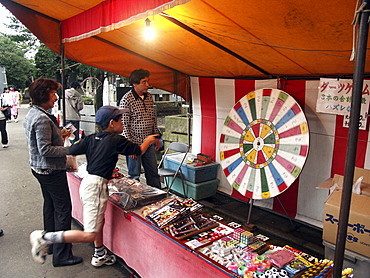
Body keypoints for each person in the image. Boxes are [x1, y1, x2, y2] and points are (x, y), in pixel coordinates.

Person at [29, 105, 159, 267]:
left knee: (99, 221)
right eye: (121, 120)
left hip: (89, 183)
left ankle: (99, 254)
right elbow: (139, 150)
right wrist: (149, 139)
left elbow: (72, 149)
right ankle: (45, 238)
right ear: (112, 123)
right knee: (89, 235)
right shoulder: (116, 140)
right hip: (96, 187)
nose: (123, 124)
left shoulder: (92, 138)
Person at [24, 78, 83, 267]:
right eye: (53, 94)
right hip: (49, 170)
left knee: (50, 205)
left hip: (40, 169)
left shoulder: (35, 113)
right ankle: (62, 254)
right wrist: (71, 150)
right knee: (63, 209)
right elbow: (45, 150)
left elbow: (44, 141)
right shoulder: (41, 118)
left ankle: (49, 243)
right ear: (43, 95)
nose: (56, 97)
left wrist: (60, 134)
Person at [119, 69, 161, 188]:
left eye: (148, 81)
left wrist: (155, 137)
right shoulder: (126, 100)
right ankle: (136, 201)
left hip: (149, 142)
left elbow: (153, 118)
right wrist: (130, 147)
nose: (147, 85)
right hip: (134, 144)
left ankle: (158, 197)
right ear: (135, 83)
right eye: (144, 82)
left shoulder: (149, 97)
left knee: (153, 173)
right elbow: (124, 125)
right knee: (134, 176)